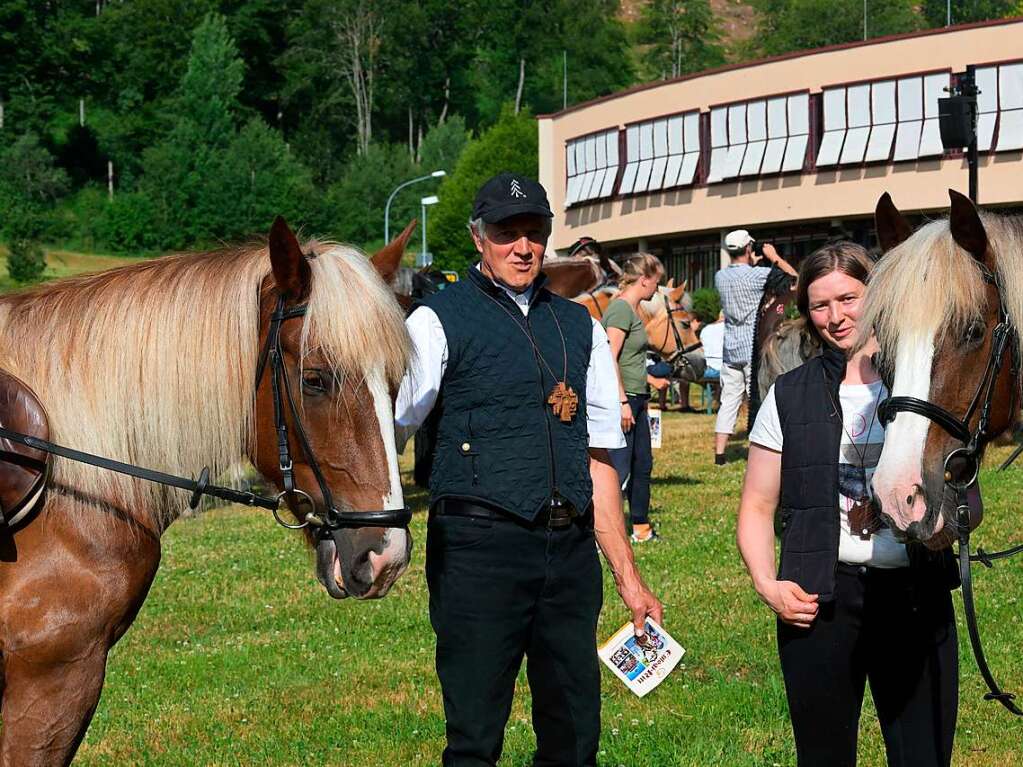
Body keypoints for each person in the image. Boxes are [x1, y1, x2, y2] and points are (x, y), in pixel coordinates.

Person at [395, 172, 663, 767]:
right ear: (478, 238)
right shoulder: (436, 322)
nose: (522, 247)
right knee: (475, 738)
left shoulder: (581, 326)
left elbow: (598, 458)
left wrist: (628, 575)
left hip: (567, 554)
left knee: (573, 738)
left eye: (534, 233)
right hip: (477, 550)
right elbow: (388, 430)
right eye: (506, 233)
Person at [735, 242, 960, 767]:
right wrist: (769, 585)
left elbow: (962, 491)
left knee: (924, 755)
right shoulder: (789, 395)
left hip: (914, 598)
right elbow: (755, 506)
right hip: (821, 605)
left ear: (877, 293)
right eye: (819, 305)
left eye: (848, 298)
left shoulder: (926, 385)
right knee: (824, 756)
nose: (835, 317)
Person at [601, 254, 670, 543]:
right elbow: (608, 357)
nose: (658, 288)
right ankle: (604, 531)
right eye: (657, 281)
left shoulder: (633, 309)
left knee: (642, 464)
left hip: (638, 397)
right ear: (645, 279)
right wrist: (621, 403)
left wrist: (650, 379)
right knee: (620, 468)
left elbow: (631, 359)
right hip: (625, 399)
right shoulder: (620, 310)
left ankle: (640, 527)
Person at [713, 229, 797, 465]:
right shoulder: (758, 276)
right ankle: (759, 452)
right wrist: (775, 258)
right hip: (753, 345)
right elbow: (794, 281)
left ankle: (720, 454)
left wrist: (756, 265)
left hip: (730, 348)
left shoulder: (720, 277)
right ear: (749, 248)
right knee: (758, 400)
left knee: (729, 401)